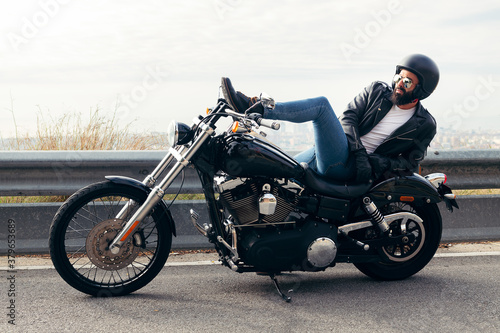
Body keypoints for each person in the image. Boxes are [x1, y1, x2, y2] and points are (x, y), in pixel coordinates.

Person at [221, 54, 439, 184]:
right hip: (342, 151)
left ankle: (255, 107)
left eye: (407, 82)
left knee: (322, 106)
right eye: (398, 77)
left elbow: (409, 164)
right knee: (281, 175)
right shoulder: (376, 91)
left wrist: (374, 162)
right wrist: (358, 150)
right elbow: (348, 117)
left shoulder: (424, 124)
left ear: (421, 90)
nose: (399, 83)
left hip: (355, 168)